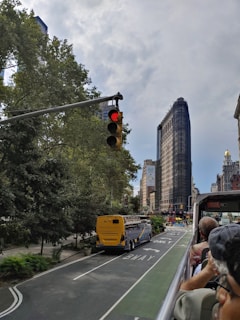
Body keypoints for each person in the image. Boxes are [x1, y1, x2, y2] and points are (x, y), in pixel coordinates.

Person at [173, 224, 240, 320]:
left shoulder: (204, 304)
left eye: (228, 288)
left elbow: (181, 297)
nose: (221, 295)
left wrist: (209, 269)